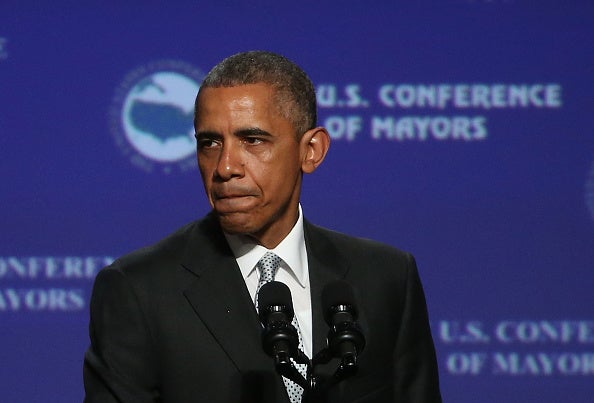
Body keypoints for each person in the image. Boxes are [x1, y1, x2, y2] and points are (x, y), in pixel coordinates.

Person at [83, 51, 442, 402]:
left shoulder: (386, 277)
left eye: (252, 140)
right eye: (210, 143)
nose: (225, 167)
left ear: (311, 150)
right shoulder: (138, 290)